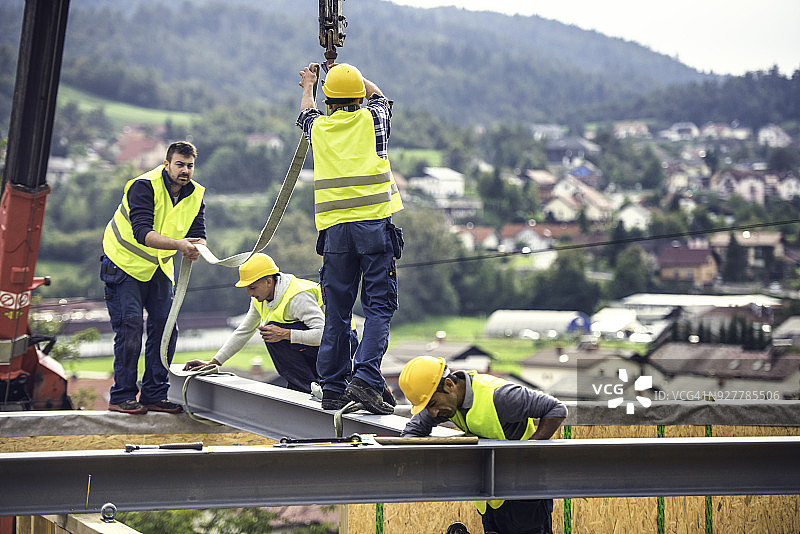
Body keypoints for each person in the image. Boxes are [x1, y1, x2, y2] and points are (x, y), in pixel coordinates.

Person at [297, 63, 404, 414]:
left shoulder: (321, 129)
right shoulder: (373, 121)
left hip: (335, 234)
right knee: (378, 307)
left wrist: (310, 84)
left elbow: (306, 113)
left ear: (328, 100)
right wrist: (343, 71)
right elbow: (380, 96)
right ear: (359, 96)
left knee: (337, 313)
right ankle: (367, 380)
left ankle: (333, 388)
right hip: (373, 228)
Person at [399, 356, 567, 534]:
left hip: (524, 496)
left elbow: (556, 409)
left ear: (449, 384)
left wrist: (528, 450)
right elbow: (412, 432)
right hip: (491, 497)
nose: (432, 413)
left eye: (432, 404)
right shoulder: (446, 404)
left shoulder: (500, 396)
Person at [101, 141, 206, 415]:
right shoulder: (143, 186)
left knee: (166, 327)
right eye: (180, 164)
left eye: (190, 166)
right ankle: (122, 396)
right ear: (166, 164)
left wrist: (197, 246)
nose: (185, 171)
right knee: (131, 327)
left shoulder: (195, 194)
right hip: (123, 263)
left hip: (157, 268)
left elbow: (198, 230)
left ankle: (154, 395)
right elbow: (141, 232)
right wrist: (180, 246)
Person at [183, 253, 346, 394]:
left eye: (252, 288)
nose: (250, 293)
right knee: (272, 332)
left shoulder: (298, 297)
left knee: (273, 332)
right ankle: (305, 386)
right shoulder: (260, 299)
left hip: (341, 346)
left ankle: (306, 388)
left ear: (269, 281)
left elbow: (326, 336)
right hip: (315, 350)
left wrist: (285, 334)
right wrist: (214, 362)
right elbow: (244, 331)